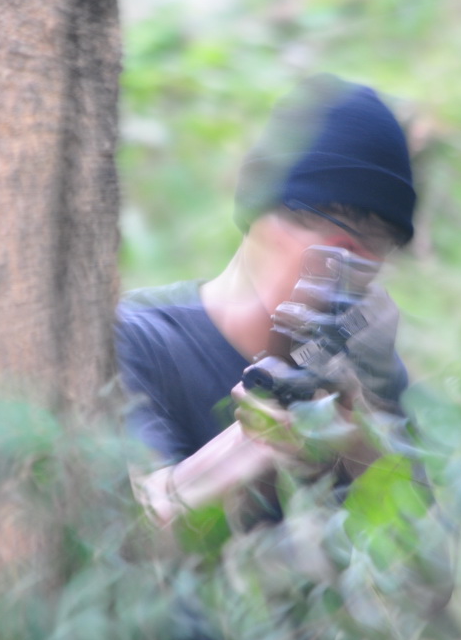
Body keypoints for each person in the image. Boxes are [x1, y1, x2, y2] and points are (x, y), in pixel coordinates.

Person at [117, 74, 416, 527]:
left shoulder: (369, 371)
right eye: (317, 217)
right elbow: (132, 533)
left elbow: (419, 559)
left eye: (372, 238)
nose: (337, 259)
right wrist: (258, 441)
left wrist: (360, 442)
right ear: (257, 208)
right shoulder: (136, 338)